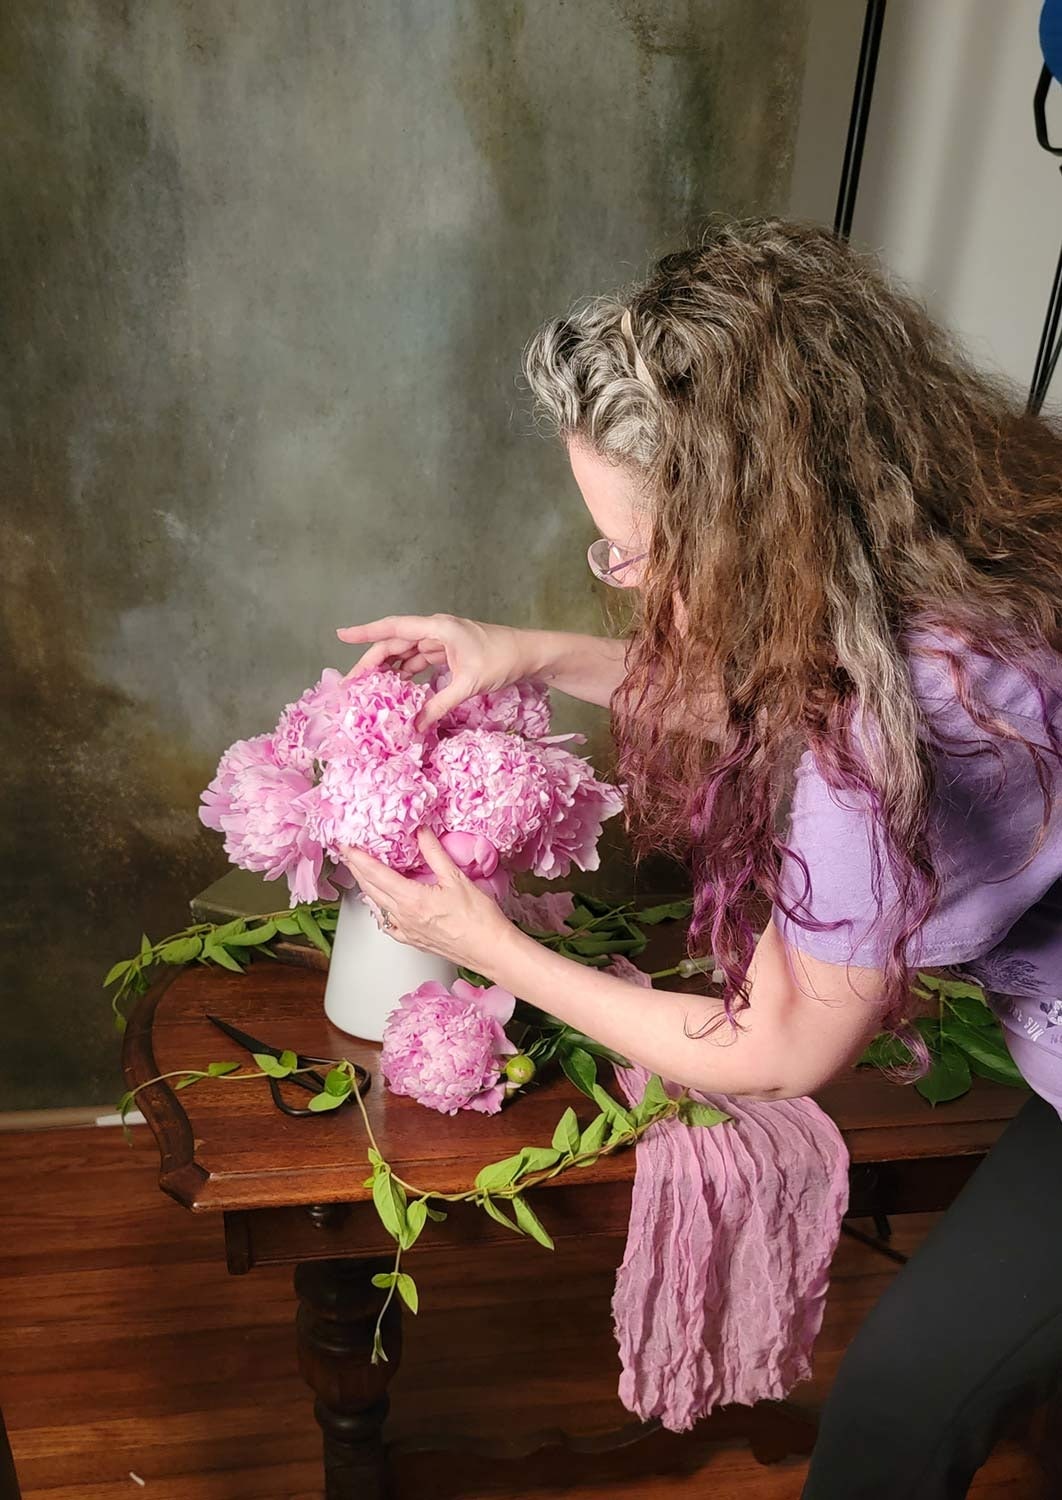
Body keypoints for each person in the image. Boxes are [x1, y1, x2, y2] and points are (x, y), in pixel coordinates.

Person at [337, 220, 1062, 1498]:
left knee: (895, 1418)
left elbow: (776, 1049)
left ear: (755, 528)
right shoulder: (975, 530)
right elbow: (776, 690)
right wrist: (534, 649)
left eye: (634, 549)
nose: (622, 577)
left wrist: (491, 950)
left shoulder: (881, 733)